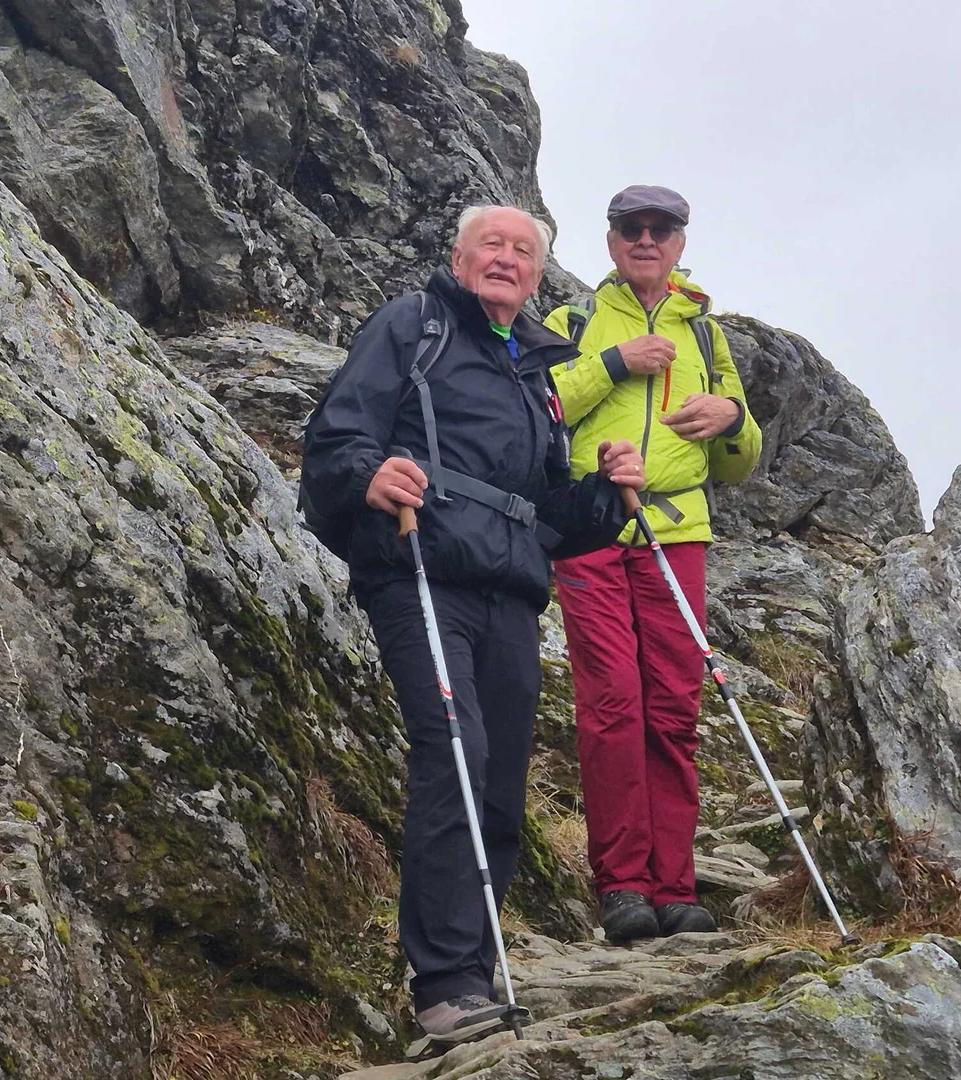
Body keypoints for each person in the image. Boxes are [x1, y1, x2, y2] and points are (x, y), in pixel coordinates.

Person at [302, 205, 645, 1037]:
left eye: (523, 251)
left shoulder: (534, 372)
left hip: (510, 595)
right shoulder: (411, 325)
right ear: (458, 259)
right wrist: (368, 476)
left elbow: (547, 513)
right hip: (419, 570)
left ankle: (476, 966)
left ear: (536, 276)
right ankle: (444, 981)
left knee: (498, 781)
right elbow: (338, 433)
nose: (506, 258)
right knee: (456, 750)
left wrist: (607, 494)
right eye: (491, 245)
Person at [543, 184, 762, 943]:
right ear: (609, 242)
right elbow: (536, 405)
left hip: (679, 532)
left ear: (678, 244)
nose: (645, 239)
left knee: (673, 706)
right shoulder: (572, 321)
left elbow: (738, 463)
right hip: (592, 530)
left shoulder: (707, 337)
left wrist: (732, 418)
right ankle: (623, 886)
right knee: (611, 707)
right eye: (631, 229)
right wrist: (613, 362)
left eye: (660, 230)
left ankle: (675, 886)